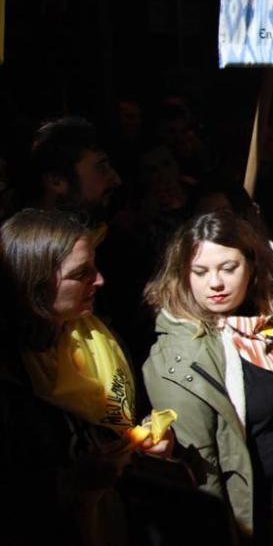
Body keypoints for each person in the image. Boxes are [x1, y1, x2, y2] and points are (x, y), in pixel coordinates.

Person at [143, 211, 273, 544]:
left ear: (252, 265)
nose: (215, 283)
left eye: (228, 268)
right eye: (200, 271)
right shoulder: (181, 358)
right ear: (183, 275)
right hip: (262, 521)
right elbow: (202, 477)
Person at [0, 209, 171, 545]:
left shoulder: (95, 336)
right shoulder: (11, 383)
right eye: (81, 273)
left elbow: (123, 421)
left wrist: (145, 443)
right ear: (34, 285)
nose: (100, 280)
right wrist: (75, 487)